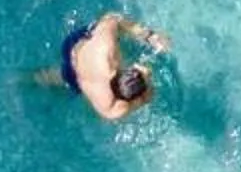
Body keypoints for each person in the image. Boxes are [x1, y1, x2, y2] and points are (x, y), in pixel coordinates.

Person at [39, 10, 168, 124]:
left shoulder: (106, 52)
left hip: (73, 50)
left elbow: (111, 18)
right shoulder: (112, 109)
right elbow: (147, 97)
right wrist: (149, 36)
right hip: (76, 76)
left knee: (48, 77)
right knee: (56, 79)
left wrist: (149, 36)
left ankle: (25, 79)